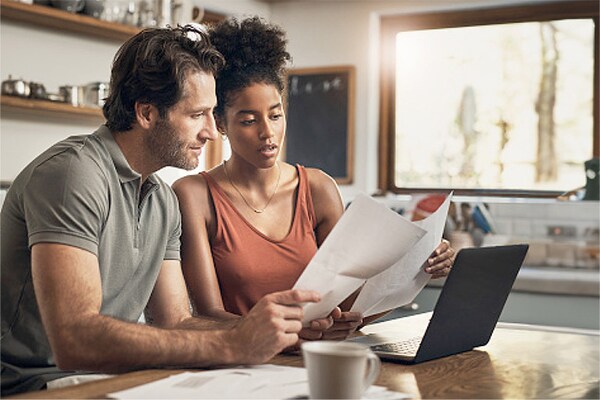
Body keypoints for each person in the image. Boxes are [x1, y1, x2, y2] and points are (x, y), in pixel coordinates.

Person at [0, 25, 325, 396]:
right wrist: (232, 345)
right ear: (147, 113)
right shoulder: (73, 174)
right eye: (197, 115)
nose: (210, 131)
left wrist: (264, 328)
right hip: (28, 386)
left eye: (212, 114)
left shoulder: (161, 198)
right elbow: (75, 339)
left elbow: (175, 322)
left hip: (105, 382)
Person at [172, 17, 455, 343]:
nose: (268, 132)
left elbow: (350, 306)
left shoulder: (318, 189)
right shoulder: (194, 195)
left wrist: (419, 268)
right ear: (220, 123)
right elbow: (208, 316)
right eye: (249, 120)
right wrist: (293, 333)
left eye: (276, 115)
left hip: (317, 363)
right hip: (241, 368)